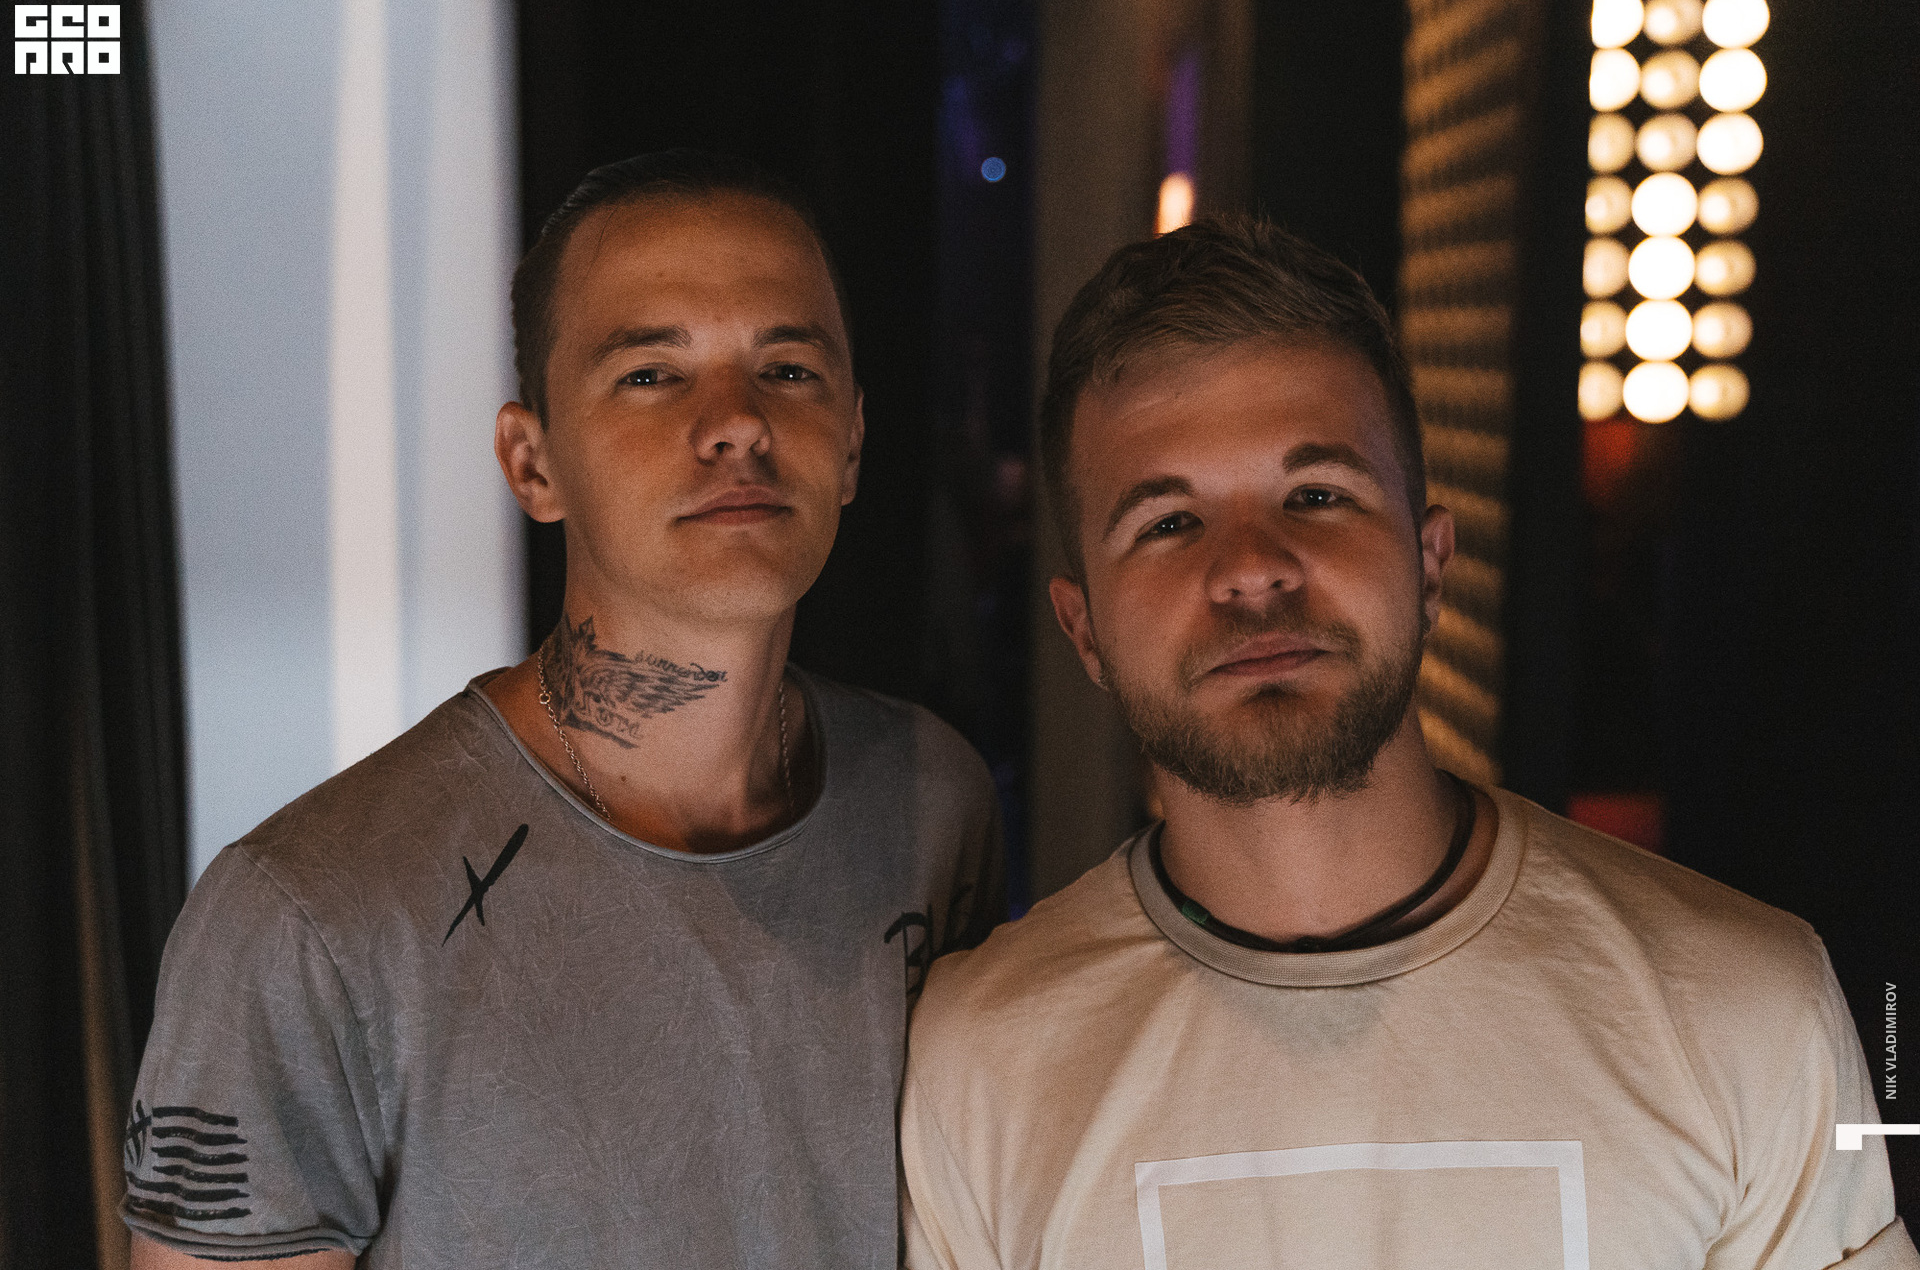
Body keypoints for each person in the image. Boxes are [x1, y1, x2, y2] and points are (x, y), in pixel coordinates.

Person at [899, 216, 1914, 1269]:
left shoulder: (1752, 1004)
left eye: (1316, 495)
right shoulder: (978, 1064)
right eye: (1167, 522)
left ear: (1430, 566)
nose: (1251, 567)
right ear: (1084, 632)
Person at [124, 150, 1003, 1269]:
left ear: (854, 447)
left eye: (787, 369)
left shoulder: (932, 799)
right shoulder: (305, 914)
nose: (737, 422)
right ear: (531, 463)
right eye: (651, 374)